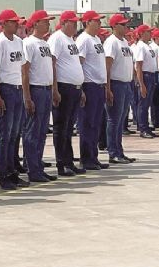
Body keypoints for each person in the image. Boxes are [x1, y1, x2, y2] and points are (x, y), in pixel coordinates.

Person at [0, 9, 29, 190]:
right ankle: (3, 174)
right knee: (5, 135)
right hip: (5, 89)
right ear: (4, 24)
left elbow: (22, 69)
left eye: (17, 22)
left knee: (14, 134)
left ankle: (12, 171)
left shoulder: (19, 42)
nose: (16, 25)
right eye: (13, 22)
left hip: (17, 88)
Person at [21, 10, 62, 181]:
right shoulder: (28, 43)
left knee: (42, 131)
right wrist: (27, 96)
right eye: (44, 21)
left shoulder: (44, 44)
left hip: (45, 89)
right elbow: (25, 71)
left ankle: (38, 164)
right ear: (35, 24)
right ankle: (32, 168)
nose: (47, 24)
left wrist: (54, 89)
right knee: (32, 131)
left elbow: (50, 68)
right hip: (35, 89)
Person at [48, 10, 85, 177]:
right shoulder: (57, 38)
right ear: (63, 23)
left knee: (69, 128)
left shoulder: (71, 40)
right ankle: (61, 163)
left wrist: (81, 88)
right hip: (63, 87)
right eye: (72, 22)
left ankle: (69, 161)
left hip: (74, 88)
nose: (75, 25)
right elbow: (52, 63)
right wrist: (54, 88)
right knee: (61, 128)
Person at [76, 10, 109, 170]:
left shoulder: (96, 39)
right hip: (89, 85)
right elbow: (79, 63)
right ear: (87, 22)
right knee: (87, 123)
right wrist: (81, 88)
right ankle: (86, 158)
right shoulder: (83, 40)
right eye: (96, 21)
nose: (100, 23)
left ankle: (93, 156)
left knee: (96, 124)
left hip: (99, 85)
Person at [103, 13, 136, 164]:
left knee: (121, 119)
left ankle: (119, 151)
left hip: (126, 84)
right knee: (114, 119)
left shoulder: (124, 42)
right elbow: (107, 67)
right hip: (116, 84)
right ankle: (113, 152)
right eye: (123, 25)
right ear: (115, 26)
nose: (126, 27)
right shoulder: (112, 42)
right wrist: (108, 88)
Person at [132, 25, 158, 139]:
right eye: (148, 32)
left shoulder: (147, 46)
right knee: (143, 103)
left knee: (147, 103)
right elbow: (138, 65)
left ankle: (146, 127)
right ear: (141, 33)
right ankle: (142, 128)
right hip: (145, 75)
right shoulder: (140, 46)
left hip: (151, 75)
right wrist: (141, 83)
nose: (150, 34)